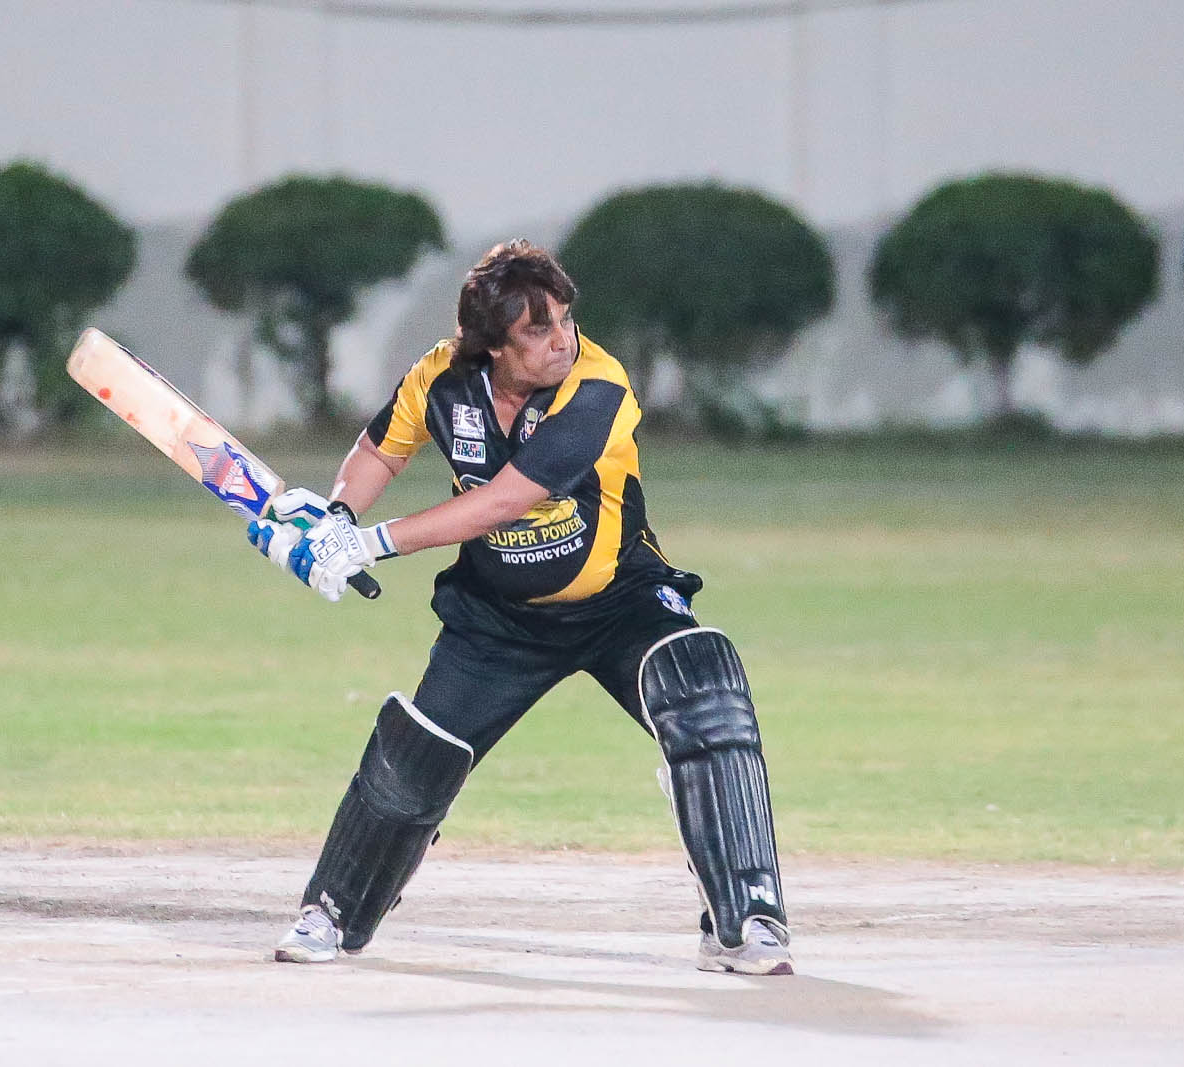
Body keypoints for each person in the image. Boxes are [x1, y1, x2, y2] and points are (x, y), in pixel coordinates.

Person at [247, 240, 792, 976]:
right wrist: (336, 516)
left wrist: (367, 544)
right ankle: (332, 912)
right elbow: (380, 451)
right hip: (497, 617)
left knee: (706, 696)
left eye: (565, 318)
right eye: (538, 329)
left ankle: (744, 922)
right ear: (493, 347)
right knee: (418, 752)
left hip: (621, 600)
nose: (562, 338)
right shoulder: (440, 378)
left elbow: (503, 501)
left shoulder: (598, 385)